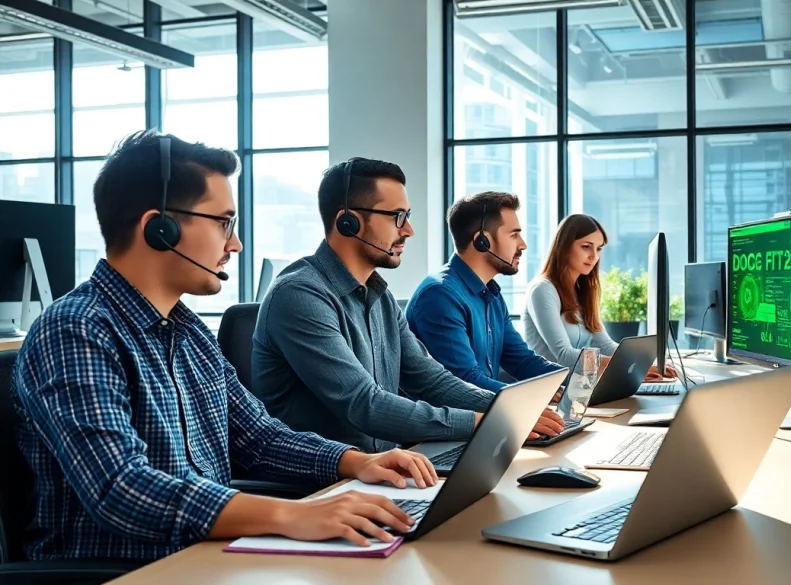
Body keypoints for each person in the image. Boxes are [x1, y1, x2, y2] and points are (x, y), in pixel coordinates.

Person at [11, 132, 436, 565]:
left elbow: (258, 437)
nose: (235, 244)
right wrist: (291, 515)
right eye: (224, 223)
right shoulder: (76, 331)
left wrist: (357, 462)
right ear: (159, 229)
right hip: (127, 570)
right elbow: (120, 487)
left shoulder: (188, 331)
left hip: (214, 556)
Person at [251, 159, 563, 454]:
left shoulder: (380, 297)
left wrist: (511, 408)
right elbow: (364, 404)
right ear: (348, 222)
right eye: (397, 217)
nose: (409, 230)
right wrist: (493, 421)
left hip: (390, 469)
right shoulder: (299, 295)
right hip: (325, 488)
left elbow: (432, 381)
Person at [405, 192, 567, 406]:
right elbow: (465, 381)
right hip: (452, 430)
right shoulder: (439, 295)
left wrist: (579, 382)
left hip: (489, 417)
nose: (523, 245)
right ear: (482, 241)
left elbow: (522, 360)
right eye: (514, 235)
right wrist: (531, 399)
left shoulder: (491, 294)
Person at [522, 214, 677, 381]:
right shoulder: (543, 290)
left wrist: (645, 363)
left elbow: (605, 345)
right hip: (552, 393)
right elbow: (564, 355)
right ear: (564, 246)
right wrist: (626, 366)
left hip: (580, 386)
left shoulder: (581, 291)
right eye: (586, 247)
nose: (594, 256)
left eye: (598, 248)